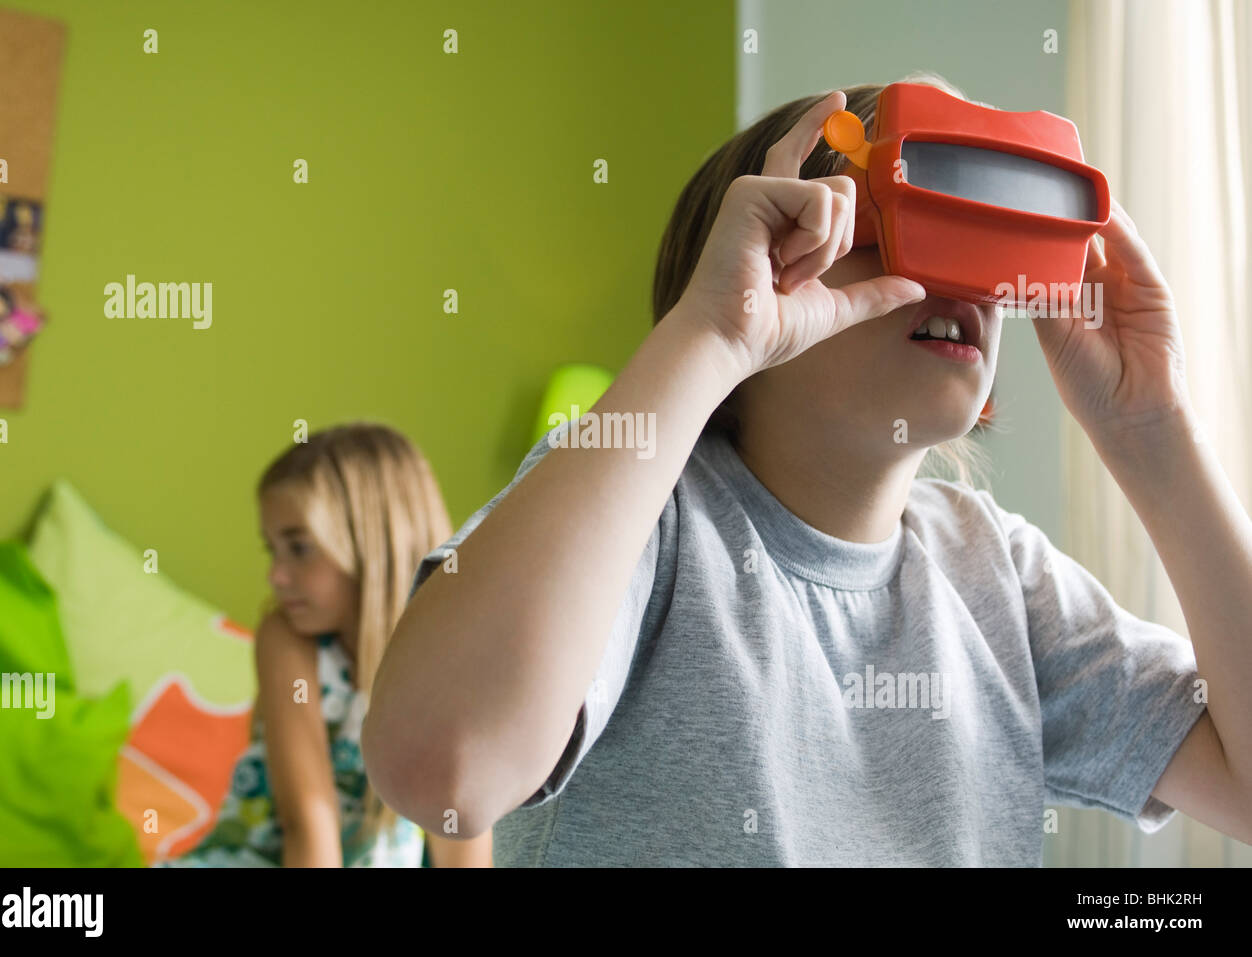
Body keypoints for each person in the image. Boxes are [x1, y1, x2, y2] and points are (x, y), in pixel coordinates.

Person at [363, 73, 1250, 865]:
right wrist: (710, 341)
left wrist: (1153, 432)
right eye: (893, 227)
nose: (957, 282)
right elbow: (444, 767)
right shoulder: (647, 521)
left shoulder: (1001, 582)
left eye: (984, 244)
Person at [163, 423, 491, 867]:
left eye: (298, 548)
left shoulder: (455, 670)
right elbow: (309, 827)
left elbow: (463, 853)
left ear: (371, 544)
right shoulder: (288, 642)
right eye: (271, 549)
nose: (275, 575)